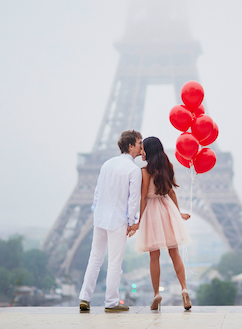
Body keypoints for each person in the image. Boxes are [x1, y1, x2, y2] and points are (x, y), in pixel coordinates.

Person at [78, 130, 143, 313]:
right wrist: (131, 222)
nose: (141, 146)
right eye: (139, 143)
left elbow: (97, 192)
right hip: (118, 220)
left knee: (95, 260)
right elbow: (133, 200)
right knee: (115, 263)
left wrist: (96, 210)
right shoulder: (133, 170)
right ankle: (111, 302)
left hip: (100, 218)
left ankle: (85, 298)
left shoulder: (107, 164)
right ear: (130, 146)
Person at [133, 136, 192, 310]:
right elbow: (171, 192)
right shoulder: (168, 167)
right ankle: (184, 289)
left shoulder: (144, 171)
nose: (141, 152)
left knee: (154, 256)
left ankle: (156, 294)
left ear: (149, 151)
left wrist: (140, 221)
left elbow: (143, 197)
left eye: (143, 149)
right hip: (167, 210)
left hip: (152, 211)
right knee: (175, 254)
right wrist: (178, 213)